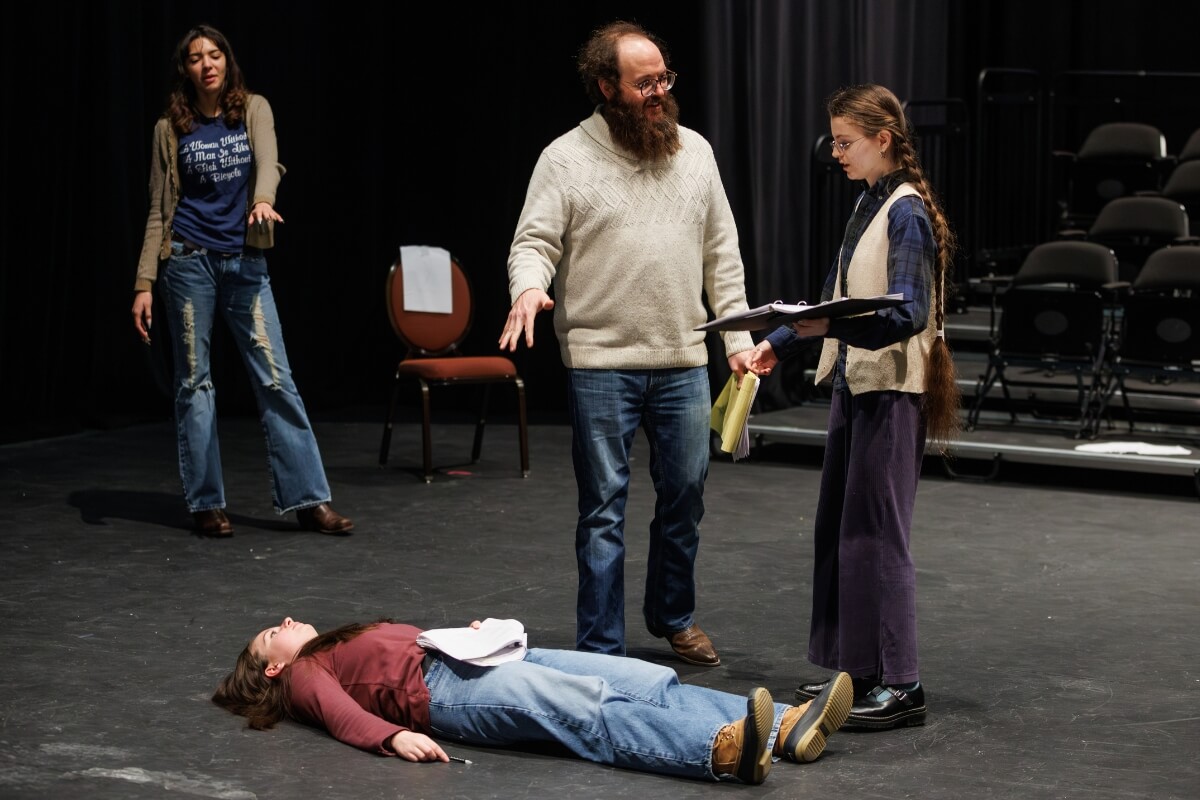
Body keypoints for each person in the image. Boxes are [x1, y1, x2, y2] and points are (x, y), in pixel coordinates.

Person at [499, 21, 756, 666]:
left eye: (664, 78)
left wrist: (738, 336)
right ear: (606, 87)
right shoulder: (565, 158)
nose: (659, 93)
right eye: (644, 83)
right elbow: (533, 242)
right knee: (603, 512)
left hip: (682, 359)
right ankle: (601, 647)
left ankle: (673, 615)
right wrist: (528, 287)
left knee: (686, 498)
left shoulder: (694, 152)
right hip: (602, 364)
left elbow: (722, 255)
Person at [747, 84, 960, 731]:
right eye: (835, 141)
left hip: (891, 390)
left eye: (845, 142)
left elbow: (908, 311)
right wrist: (777, 343)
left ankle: (903, 683)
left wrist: (831, 330)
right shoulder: (869, 202)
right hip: (856, 385)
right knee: (844, 533)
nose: (835, 152)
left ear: (882, 140)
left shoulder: (906, 213)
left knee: (879, 536)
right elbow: (832, 295)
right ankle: (858, 669)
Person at [130, 24, 352, 538]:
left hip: (244, 262)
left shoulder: (253, 108)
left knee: (277, 378)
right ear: (184, 69)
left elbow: (269, 163)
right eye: (195, 58)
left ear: (227, 61)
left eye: (214, 55)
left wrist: (263, 200)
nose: (206, 64)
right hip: (187, 262)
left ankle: (309, 500)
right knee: (195, 385)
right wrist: (144, 282)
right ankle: (206, 502)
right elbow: (158, 211)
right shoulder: (170, 127)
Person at [212, 615, 854, 784]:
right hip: (445, 692)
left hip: (465, 659)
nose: (286, 621)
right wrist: (390, 737)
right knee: (581, 708)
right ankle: (717, 751)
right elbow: (342, 713)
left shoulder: (332, 645)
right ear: (271, 671)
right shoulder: (302, 677)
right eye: (273, 633)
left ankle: (783, 730)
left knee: (639, 678)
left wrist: (467, 634)